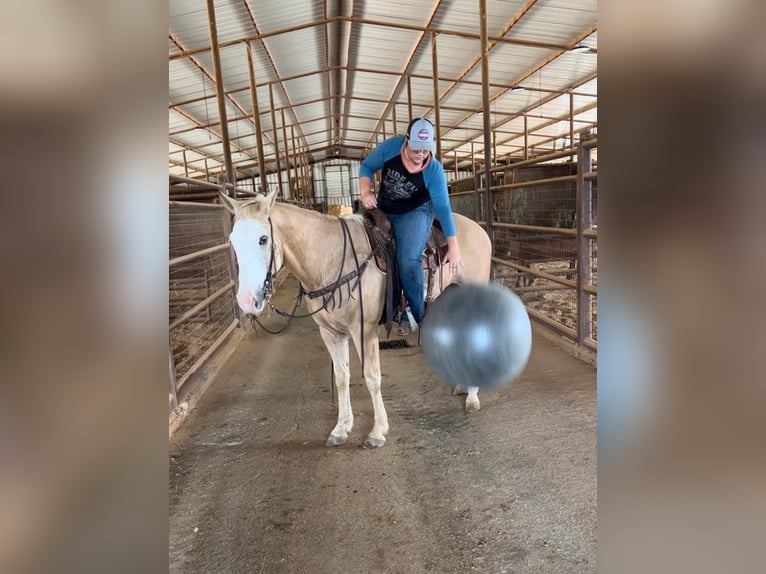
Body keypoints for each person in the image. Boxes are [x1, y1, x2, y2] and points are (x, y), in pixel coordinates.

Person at [359, 117, 463, 336]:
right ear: (406, 141)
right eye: (416, 149)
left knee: (407, 260)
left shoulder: (433, 170)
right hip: (385, 207)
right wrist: (365, 192)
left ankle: (419, 317)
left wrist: (454, 247)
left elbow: (443, 208)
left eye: (425, 150)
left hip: (416, 211)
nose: (420, 155)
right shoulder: (391, 148)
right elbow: (367, 166)